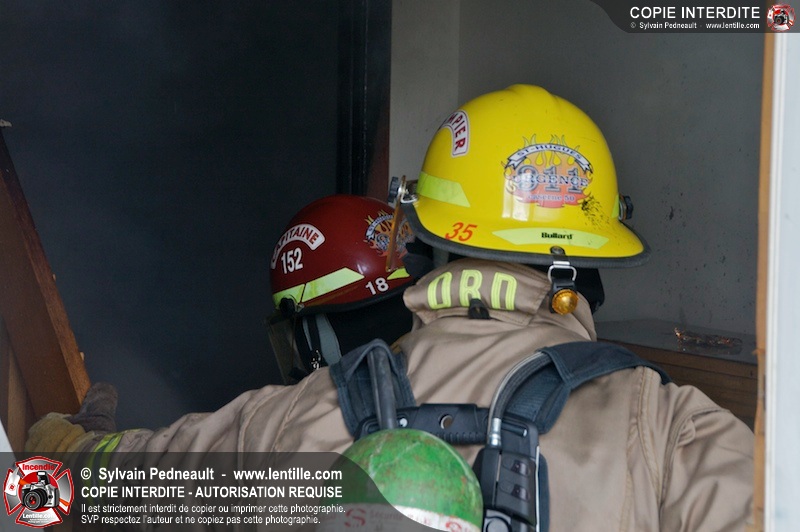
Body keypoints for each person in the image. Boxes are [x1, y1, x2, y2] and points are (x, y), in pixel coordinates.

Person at [26, 85, 753, 531]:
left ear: (428, 237)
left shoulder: (296, 415)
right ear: (589, 263)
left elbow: (117, 488)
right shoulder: (670, 431)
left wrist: (62, 445)